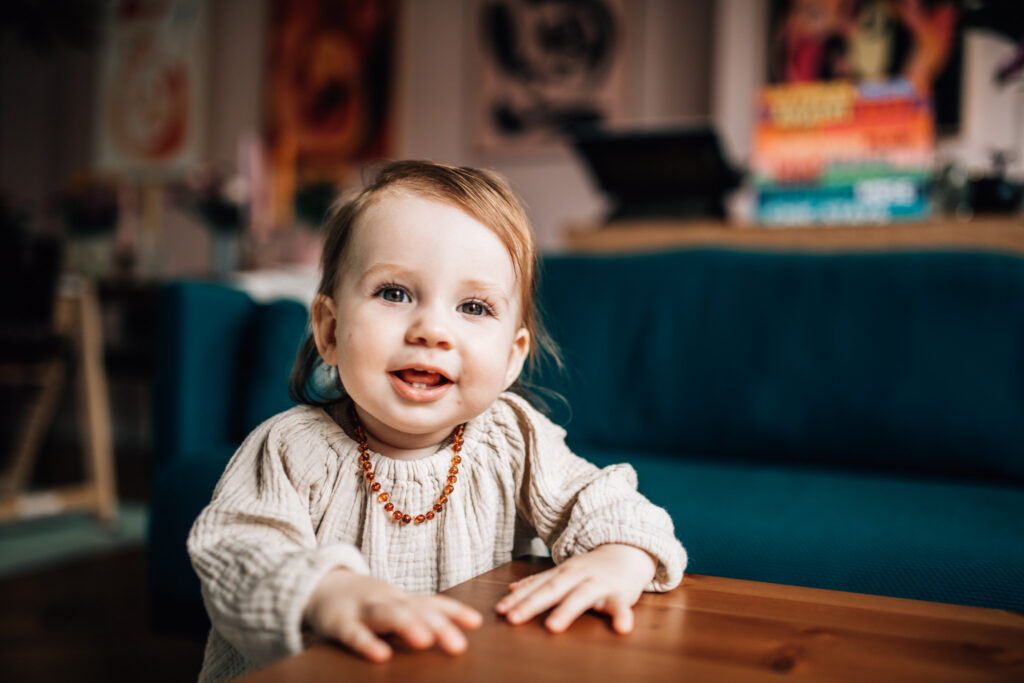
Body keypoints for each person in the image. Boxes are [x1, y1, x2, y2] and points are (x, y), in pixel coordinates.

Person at [187, 160, 686, 682]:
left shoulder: (512, 438)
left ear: (512, 358)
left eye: (473, 306)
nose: (432, 330)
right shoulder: (290, 450)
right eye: (394, 293)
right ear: (330, 332)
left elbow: (613, 506)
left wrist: (618, 559)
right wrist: (328, 593)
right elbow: (234, 553)